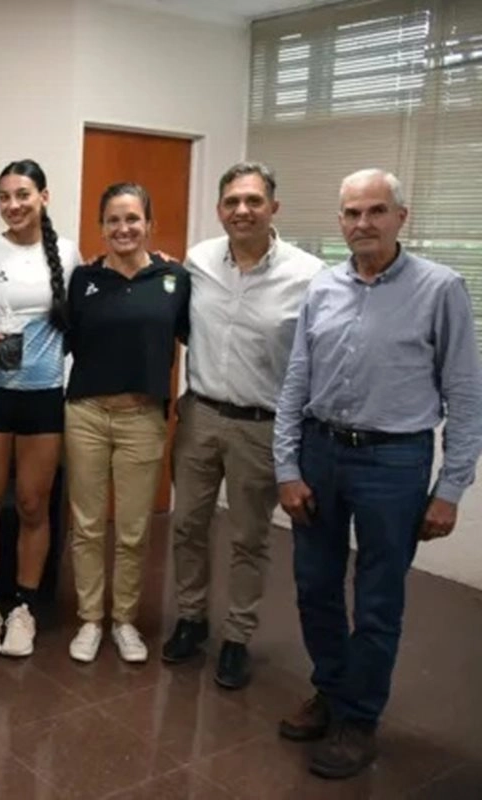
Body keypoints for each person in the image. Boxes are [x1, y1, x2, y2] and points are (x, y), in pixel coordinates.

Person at [273, 169, 482, 779]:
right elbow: (295, 383)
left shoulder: (441, 289)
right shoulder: (323, 287)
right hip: (320, 451)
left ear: (400, 217)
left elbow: (465, 395)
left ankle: (359, 720)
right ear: (339, 221)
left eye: (375, 211)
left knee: (378, 596)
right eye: (351, 213)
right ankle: (332, 691)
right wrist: (287, 464)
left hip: (394, 461)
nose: (362, 223)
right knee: (313, 585)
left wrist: (450, 488)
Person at [162, 162, 323, 689]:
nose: (242, 210)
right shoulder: (199, 260)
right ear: (219, 210)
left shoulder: (308, 275)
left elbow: (317, 358)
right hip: (200, 414)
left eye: (253, 201)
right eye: (232, 202)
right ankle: (191, 619)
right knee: (187, 524)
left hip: (263, 424)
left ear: (274, 208)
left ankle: (236, 637)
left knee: (249, 537)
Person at [63, 182, 190, 664]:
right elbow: (67, 337)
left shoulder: (174, 280)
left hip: (143, 419)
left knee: (134, 529)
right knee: (89, 526)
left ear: (149, 224)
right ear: (101, 227)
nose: (123, 228)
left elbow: (194, 333)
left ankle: (125, 622)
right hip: (88, 416)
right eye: (113, 220)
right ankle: (91, 619)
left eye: (133, 218)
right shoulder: (83, 281)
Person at [0, 159, 80, 658]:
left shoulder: (69, 253)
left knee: (34, 505)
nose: (13, 205)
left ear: (43, 197)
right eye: (5, 196)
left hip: (43, 395)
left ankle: (25, 608)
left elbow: (89, 314)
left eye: (23, 194)